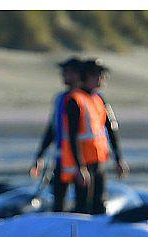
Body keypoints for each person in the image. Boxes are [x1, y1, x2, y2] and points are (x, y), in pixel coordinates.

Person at [30, 57, 83, 211]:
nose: (63, 75)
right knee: (58, 199)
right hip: (62, 159)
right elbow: (52, 129)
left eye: (67, 72)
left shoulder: (82, 100)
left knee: (82, 203)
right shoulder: (60, 99)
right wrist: (40, 155)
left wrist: (80, 166)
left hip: (82, 159)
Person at [76, 58, 128, 214]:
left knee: (99, 201)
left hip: (98, 159)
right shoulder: (75, 100)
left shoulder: (99, 99)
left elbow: (111, 130)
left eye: (101, 75)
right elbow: (70, 136)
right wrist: (79, 167)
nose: (100, 79)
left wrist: (118, 159)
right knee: (82, 203)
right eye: (95, 75)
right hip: (82, 162)